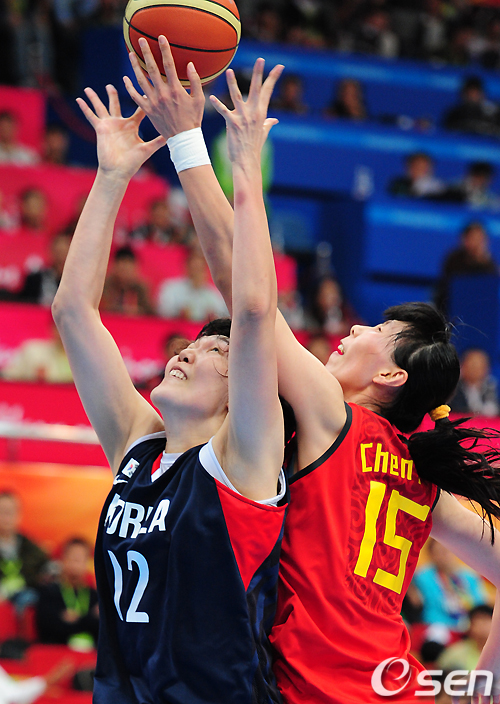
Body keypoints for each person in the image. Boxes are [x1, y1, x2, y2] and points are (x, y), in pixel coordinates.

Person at [125, 36, 500, 703]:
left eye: (376, 332)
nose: (354, 329)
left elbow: (247, 294)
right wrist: (484, 689)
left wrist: (188, 142)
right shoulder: (421, 479)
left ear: (391, 378)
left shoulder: (334, 415)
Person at [53, 58, 287, 703]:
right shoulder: (139, 448)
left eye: (214, 350)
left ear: (242, 392)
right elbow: (73, 313)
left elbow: (254, 310)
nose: (187, 351)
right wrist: (111, 176)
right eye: (192, 342)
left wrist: (234, 161)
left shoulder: (245, 462)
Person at [413, 539, 488, 633]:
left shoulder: (470, 576)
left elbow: (480, 604)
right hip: (437, 626)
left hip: (468, 627)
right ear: (431, 555)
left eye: (445, 551)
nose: (442, 557)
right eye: (438, 553)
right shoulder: (423, 577)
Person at [36, 537, 99, 648]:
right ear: (62, 559)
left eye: (81, 558)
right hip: (57, 651)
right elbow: (48, 627)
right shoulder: (49, 592)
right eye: (73, 557)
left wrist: (75, 619)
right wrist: (88, 618)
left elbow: (100, 628)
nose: (77, 562)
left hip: (90, 653)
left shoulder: (94, 596)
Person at [435, 221, 498, 314]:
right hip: (451, 309)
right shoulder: (453, 259)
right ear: (464, 239)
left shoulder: (489, 264)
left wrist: (481, 261)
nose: (476, 243)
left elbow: (488, 291)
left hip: (479, 311)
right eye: (473, 238)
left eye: (480, 238)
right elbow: (447, 288)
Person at [0, 491, 48, 610]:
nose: (6, 517)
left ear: (19, 515)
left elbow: (46, 569)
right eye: (2, 511)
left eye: (10, 512)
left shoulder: (31, 548)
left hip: (25, 598)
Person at [156, 247, 228, 322]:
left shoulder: (213, 294)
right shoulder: (170, 288)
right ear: (186, 268)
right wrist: (178, 313)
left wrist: (213, 316)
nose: (196, 273)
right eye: (194, 268)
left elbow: (222, 313)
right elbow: (162, 310)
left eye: (199, 269)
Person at [17, 231, 72, 306]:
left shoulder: (77, 281)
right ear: (51, 251)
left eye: (63, 251)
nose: (60, 256)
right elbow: (25, 305)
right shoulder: (35, 279)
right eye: (58, 251)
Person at [437, 605, 494, 672]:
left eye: (485, 621)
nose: (482, 627)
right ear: (470, 626)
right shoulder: (455, 654)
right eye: (477, 622)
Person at [101, 245, 154, 316]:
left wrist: (138, 311)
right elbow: (101, 308)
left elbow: (150, 312)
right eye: (122, 268)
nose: (125, 271)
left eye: (128, 268)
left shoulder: (141, 288)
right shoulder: (104, 286)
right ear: (114, 265)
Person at [452, 348, 499, 418]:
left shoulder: (491, 385)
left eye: (479, 366)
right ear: (463, 366)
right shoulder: (454, 388)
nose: (475, 370)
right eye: (472, 365)